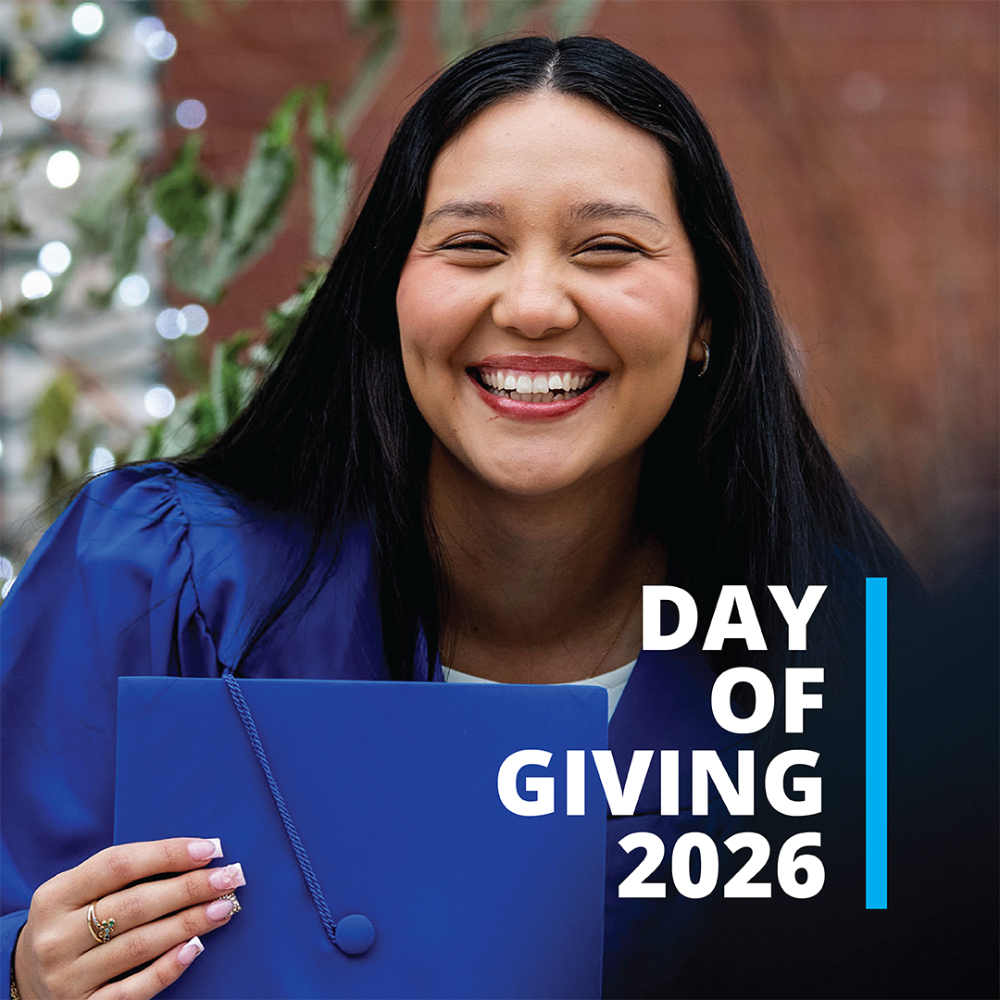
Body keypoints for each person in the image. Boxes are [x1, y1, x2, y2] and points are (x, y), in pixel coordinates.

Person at [1, 35, 912, 1000]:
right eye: (473, 245)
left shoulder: (844, 659)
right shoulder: (162, 581)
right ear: (388, 293)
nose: (533, 306)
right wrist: (24, 970)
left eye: (608, 249)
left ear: (707, 320)